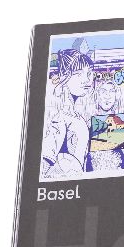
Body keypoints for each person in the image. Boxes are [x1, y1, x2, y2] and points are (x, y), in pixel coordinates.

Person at [41, 49, 95, 178]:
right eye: (78, 74)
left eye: (89, 73)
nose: (87, 79)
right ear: (65, 76)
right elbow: (44, 163)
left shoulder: (77, 114)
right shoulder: (58, 115)